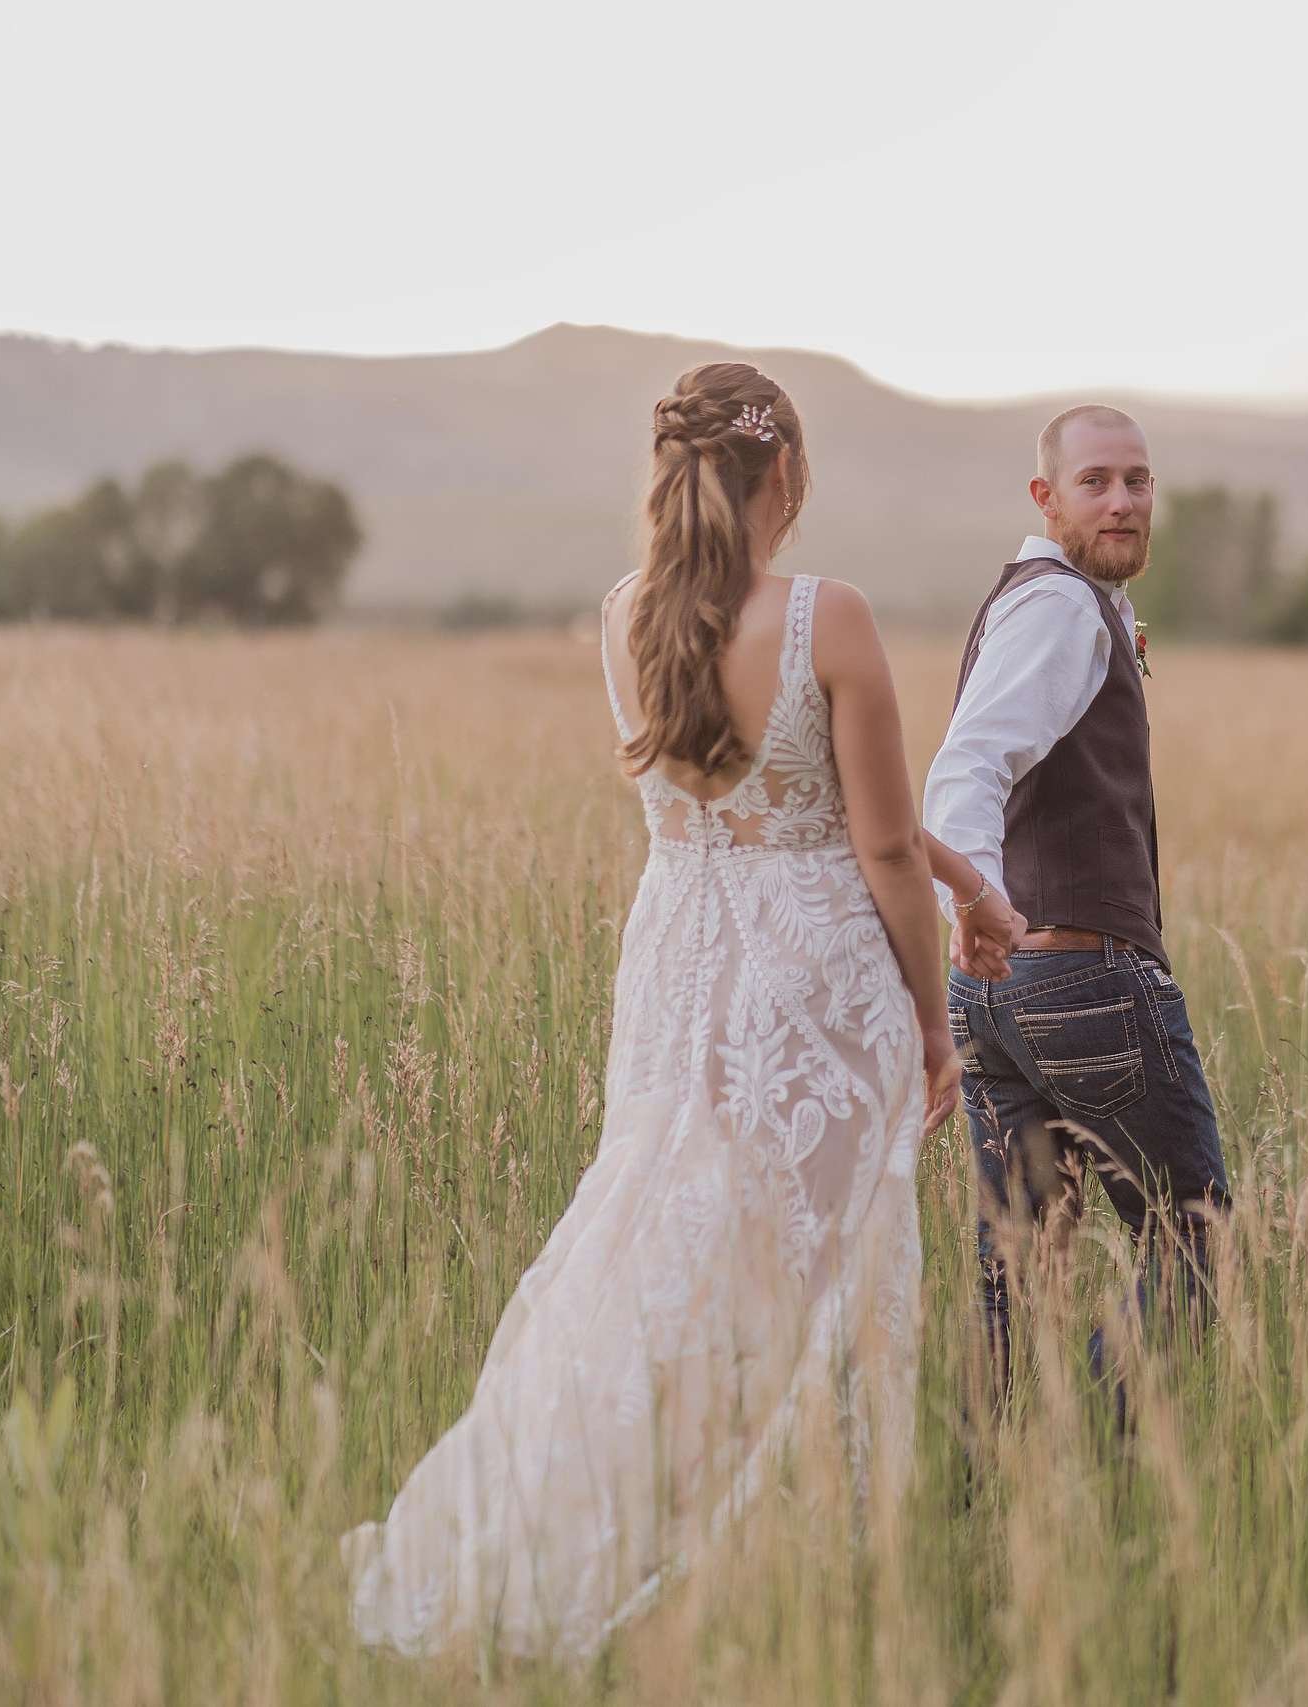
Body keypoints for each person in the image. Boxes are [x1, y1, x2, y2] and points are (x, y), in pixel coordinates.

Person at [342, 361, 998, 1658]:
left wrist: (966, 874)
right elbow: (867, 849)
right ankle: (778, 1563)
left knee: (654, 1252)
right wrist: (934, 1024)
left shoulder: (622, 617)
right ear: (788, 474)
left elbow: (806, 808)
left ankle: (585, 1514)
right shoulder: (835, 615)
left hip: (681, 973)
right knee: (813, 1275)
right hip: (817, 990)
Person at [926, 404, 1233, 1408]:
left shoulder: (1056, 601)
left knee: (1020, 1262)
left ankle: (990, 1504)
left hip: (1002, 997)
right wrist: (971, 905)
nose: (1122, 501)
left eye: (1137, 482)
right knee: (1196, 1234)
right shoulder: (1057, 605)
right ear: (1044, 496)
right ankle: (1092, 1456)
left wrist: (975, 934)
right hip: (1077, 976)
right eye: (1095, 481)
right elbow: (968, 765)